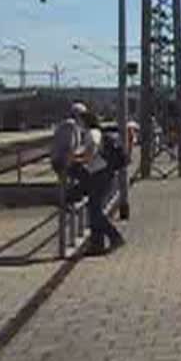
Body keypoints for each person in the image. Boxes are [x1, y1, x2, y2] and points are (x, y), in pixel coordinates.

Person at [72, 109, 125, 255]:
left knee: (94, 211)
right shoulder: (95, 132)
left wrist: (75, 159)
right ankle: (97, 244)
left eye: (79, 121)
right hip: (100, 173)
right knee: (93, 209)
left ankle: (115, 237)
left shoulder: (92, 133)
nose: (78, 124)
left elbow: (90, 154)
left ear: (85, 121)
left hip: (101, 174)